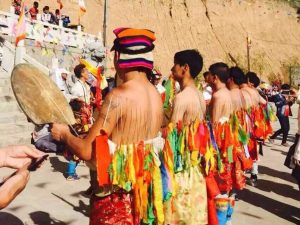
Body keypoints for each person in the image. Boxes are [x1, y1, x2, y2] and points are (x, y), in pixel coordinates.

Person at [51, 28, 164, 224]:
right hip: (143, 196)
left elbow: (88, 151)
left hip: (116, 201)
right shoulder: (155, 94)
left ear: (119, 56)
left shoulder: (118, 96)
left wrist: (64, 135)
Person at [163, 49, 207, 224]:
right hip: (195, 168)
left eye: (175, 64)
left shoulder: (182, 98)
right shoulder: (200, 95)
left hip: (181, 169)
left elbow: (171, 137)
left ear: (185, 68)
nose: (172, 69)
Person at [206, 62, 235, 225]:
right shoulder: (228, 93)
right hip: (228, 145)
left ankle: (220, 220)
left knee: (217, 186)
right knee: (225, 186)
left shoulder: (218, 96)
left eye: (209, 75)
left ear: (214, 77)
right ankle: (227, 219)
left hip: (219, 146)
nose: (208, 78)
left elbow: (214, 127)